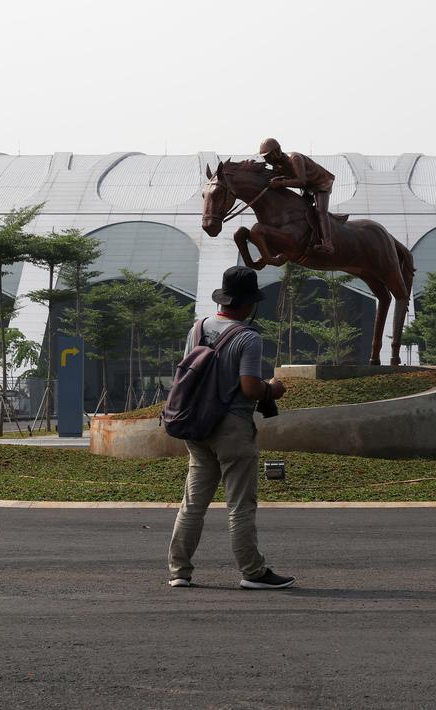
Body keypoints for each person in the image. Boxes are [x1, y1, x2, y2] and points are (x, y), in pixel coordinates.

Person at [167, 266, 294, 590]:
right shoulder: (248, 338)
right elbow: (250, 387)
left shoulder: (197, 329)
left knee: (193, 503)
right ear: (249, 303)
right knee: (240, 503)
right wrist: (273, 389)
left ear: (224, 299)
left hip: (196, 425)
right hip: (232, 428)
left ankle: (179, 571)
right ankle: (252, 572)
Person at [258, 137, 336, 255]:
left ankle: (328, 243)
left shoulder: (295, 159)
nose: (267, 160)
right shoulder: (278, 165)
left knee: (320, 211)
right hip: (308, 187)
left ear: (277, 151)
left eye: (268, 156)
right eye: (265, 157)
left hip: (321, 183)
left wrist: (281, 183)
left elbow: (301, 181)